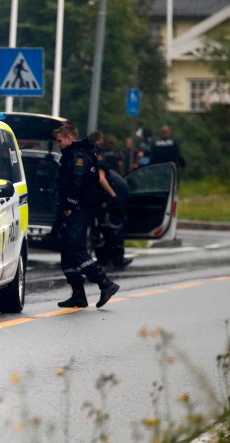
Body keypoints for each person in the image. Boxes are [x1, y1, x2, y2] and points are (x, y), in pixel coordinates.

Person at [53, 124, 120, 308]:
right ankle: (78, 294)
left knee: (75, 248)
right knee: (67, 252)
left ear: (69, 138)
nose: (58, 144)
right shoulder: (72, 153)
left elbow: (78, 184)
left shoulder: (79, 155)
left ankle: (105, 283)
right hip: (72, 209)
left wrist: (69, 205)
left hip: (78, 210)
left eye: (60, 140)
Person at [88, 130, 132, 269]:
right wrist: (113, 195)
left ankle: (103, 257)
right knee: (111, 227)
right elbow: (101, 177)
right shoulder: (98, 153)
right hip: (101, 197)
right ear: (100, 141)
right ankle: (116, 259)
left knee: (98, 228)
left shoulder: (85, 152)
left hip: (90, 197)